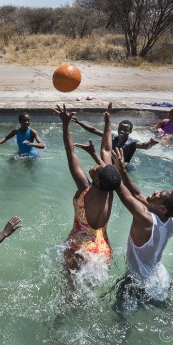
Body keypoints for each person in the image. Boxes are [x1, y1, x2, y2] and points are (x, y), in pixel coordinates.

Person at [110, 147, 173, 309]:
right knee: (163, 309)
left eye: (159, 195)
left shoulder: (145, 220)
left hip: (139, 282)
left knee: (120, 316)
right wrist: (122, 169)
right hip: (160, 277)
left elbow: (120, 189)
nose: (155, 192)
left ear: (163, 208)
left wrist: (107, 165)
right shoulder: (171, 220)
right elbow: (138, 195)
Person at [53, 103, 122, 269]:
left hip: (80, 248)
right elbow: (106, 149)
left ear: (97, 181)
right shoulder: (110, 188)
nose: (95, 165)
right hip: (103, 248)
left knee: (71, 290)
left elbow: (70, 153)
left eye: (97, 169)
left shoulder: (84, 189)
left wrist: (65, 123)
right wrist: (107, 121)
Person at [74, 118, 158, 163]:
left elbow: (144, 146)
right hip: (109, 163)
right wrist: (79, 123)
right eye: (120, 128)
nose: (122, 131)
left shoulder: (132, 143)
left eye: (125, 129)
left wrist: (151, 143)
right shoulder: (112, 137)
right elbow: (94, 130)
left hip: (123, 167)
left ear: (130, 131)